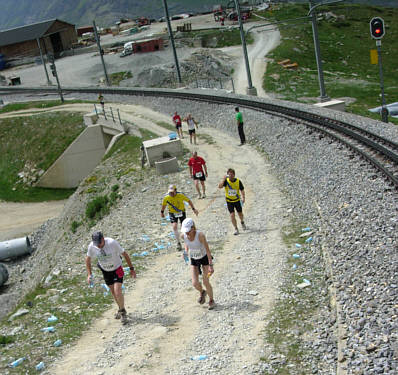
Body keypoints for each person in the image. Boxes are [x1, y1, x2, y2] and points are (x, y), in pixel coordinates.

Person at [85, 231, 136, 324]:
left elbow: (125, 254)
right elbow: (88, 259)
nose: (98, 246)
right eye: (96, 244)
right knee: (113, 292)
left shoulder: (112, 243)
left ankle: (123, 313)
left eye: (99, 243)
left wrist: (131, 269)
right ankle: (121, 308)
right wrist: (89, 274)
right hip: (105, 270)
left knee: (117, 291)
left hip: (117, 268)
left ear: (103, 239)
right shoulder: (92, 246)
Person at [181, 218, 215, 310]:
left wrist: (211, 266)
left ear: (193, 228)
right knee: (195, 283)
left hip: (204, 260)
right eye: (185, 231)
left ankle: (211, 300)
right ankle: (202, 292)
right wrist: (185, 252)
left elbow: (208, 250)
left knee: (205, 281)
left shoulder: (200, 235)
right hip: (194, 260)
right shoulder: (183, 235)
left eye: (188, 231)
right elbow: (186, 244)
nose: (187, 233)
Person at [161, 184, 198, 251]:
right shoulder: (166, 197)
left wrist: (193, 209)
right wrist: (162, 212)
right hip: (172, 213)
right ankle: (178, 243)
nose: (171, 193)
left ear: (175, 190)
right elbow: (164, 204)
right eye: (170, 192)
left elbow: (189, 201)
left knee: (183, 227)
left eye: (172, 192)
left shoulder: (180, 195)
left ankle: (187, 241)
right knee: (174, 226)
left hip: (181, 212)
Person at [218, 168, 246, 235]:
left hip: (237, 200)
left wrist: (243, 198)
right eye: (229, 174)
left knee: (240, 214)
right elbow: (220, 186)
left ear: (234, 175)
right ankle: (236, 228)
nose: (230, 176)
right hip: (229, 201)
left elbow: (242, 190)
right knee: (232, 215)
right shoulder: (226, 181)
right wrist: (223, 179)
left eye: (231, 174)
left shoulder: (238, 181)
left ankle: (242, 222)